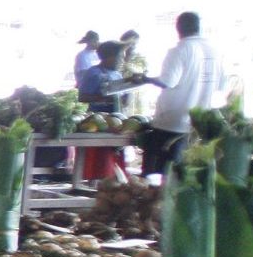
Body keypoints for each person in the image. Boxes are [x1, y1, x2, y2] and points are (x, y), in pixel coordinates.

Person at [136, 11, 219, 174]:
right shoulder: (214, 51)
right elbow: (222, 85)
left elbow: (167, 81)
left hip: (171, 123)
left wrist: (145, 79)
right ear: (199, 27)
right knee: (182, 173)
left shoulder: (180, 50)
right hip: (197, 124)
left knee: (159, 174)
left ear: (178, 28)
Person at [75, 41, 130, 181]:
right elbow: (82, 96)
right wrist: (101, 97)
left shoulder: (117, 74)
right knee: (100, 163)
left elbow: (122, 99)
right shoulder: (93, 73)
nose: (122, 60)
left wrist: (127, 95)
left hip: (116, 123)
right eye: (120, 57)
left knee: (114, 161)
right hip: (98, 124)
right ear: (108, 57)